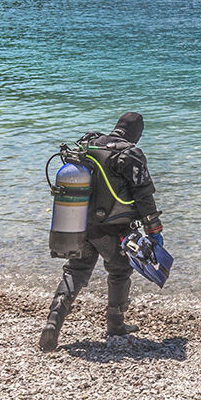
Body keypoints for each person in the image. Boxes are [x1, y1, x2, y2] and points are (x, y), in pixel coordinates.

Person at [39, 112, 162, 352]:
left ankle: (53, 322)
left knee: (75, 271)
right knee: (120, 270)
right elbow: (144, 196)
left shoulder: (89, 145)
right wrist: (154, 231)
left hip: (78, 223)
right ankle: (115, 324)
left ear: (117, 127)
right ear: (138, 133)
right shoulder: (130, 154)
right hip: (112, 229)